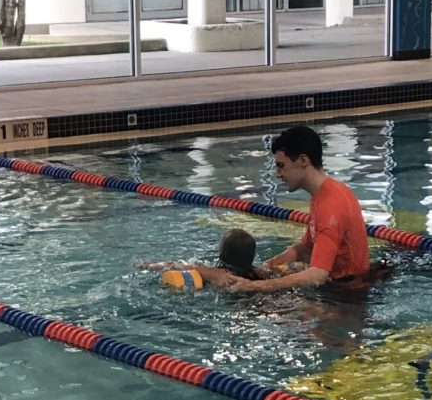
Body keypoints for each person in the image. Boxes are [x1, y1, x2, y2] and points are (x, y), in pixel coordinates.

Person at [228, 125, 375, 295]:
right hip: (341, 285)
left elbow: (317, 275)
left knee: (258, 304)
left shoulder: (331, 205)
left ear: (303, 161)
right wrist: (267, 267)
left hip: (348, 296)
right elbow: (307, 247)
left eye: (281, 165)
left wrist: (257, 286)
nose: (278, 174)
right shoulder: (325, 194)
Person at [151, 227, 267, 289]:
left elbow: (174, 266)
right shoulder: (258, 273)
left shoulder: (216, 273)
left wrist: (149, 266)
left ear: (221, 250)